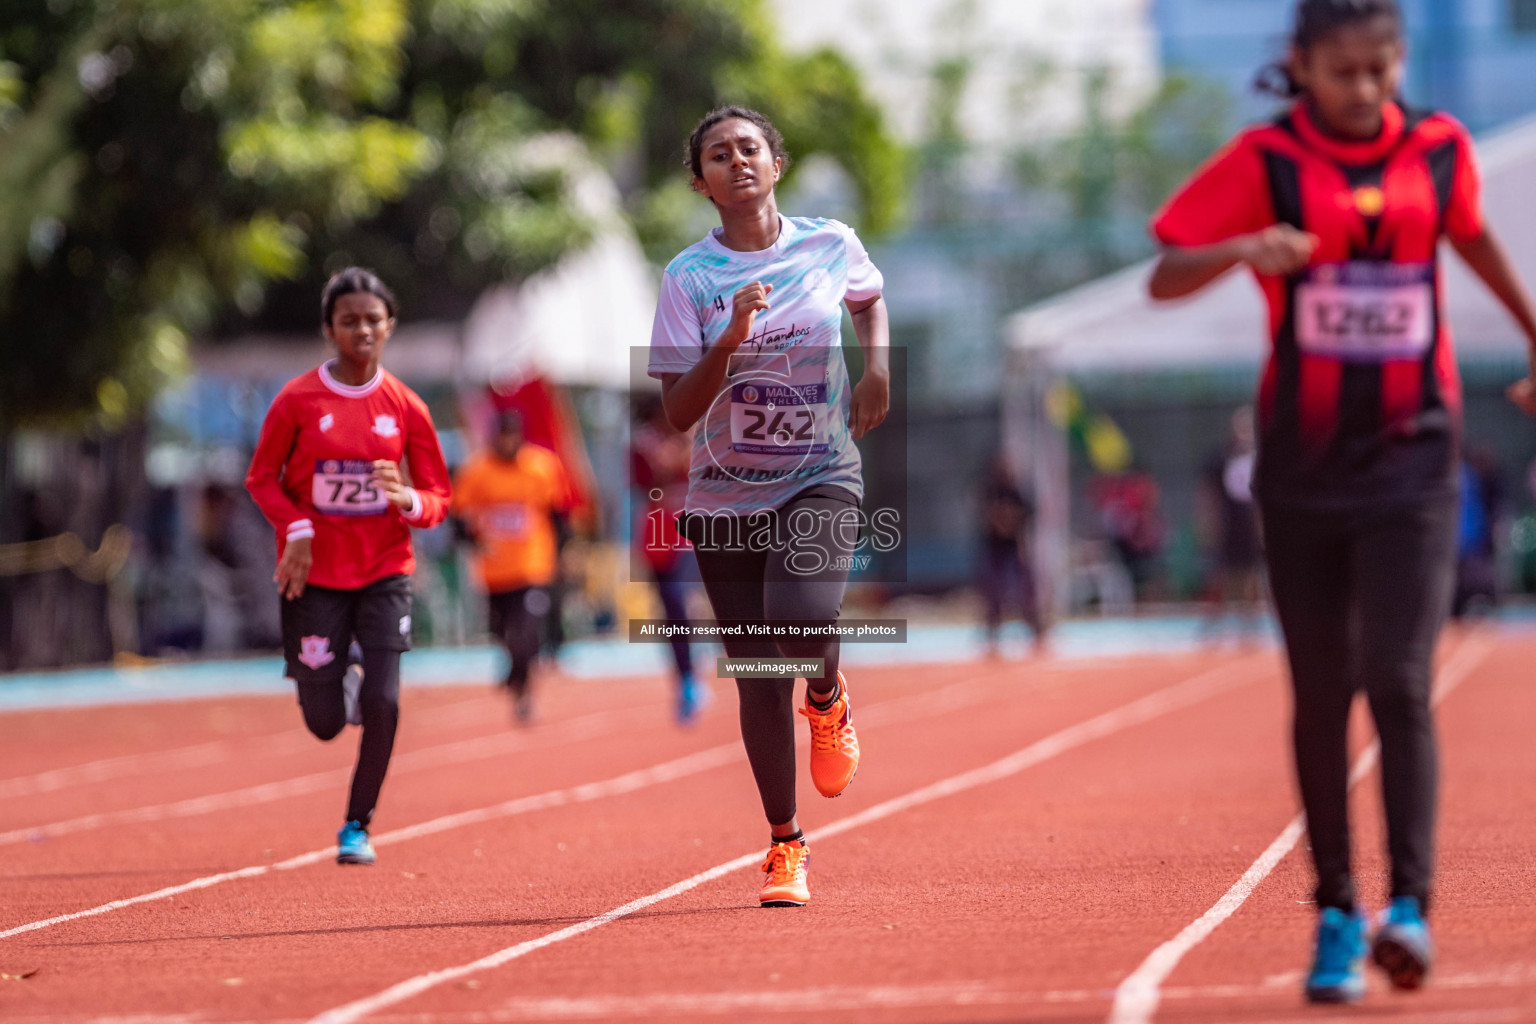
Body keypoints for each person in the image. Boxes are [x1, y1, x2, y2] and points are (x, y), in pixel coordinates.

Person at [1148, 0, 1536, 1003]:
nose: (1366, 90)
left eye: (1381, 69)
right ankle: (1335, 911)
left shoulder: (1441, 149)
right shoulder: (1265, 160)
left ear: (1399, 62)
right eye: (1344, 72)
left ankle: (1409, 908)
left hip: (1414, 456)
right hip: (1303, 462)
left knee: (1400, 678)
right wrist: (1244, 250)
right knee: (1322, 694)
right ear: (1303, 67)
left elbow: (1473, 236)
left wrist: (1535, 330)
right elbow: (1164, 275)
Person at [648, 105, 890, 908]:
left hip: (821, 469)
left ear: (775, 163)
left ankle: (826, 696)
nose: (737, 161)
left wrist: (876, 368)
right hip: (724, 497)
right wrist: (727, 342)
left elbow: (867, 298)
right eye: (718, 154)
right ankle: (786, 846)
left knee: (797, 621)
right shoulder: (689, 279)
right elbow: (678, 415)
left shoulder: (829, 241)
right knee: (757, 678)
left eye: (749, 148)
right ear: (701, 181)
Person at [245, 267, 451, 866]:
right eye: (348, 320)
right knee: (325, 722)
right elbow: (262, 478)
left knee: (385, 703)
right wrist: (298, 527)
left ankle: (356, 826)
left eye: (372, 319)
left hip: (386, 570)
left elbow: (438, 496)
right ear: (329, 330)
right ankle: (340, 684)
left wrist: (406, 499)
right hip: (315, 578)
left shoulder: (407, 407)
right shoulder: (298, 400)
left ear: (389, 326)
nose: (361, 329)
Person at [452, 409, 572, 723]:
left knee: (527, 631)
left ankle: (523, 690)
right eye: (501, 435)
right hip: (493, 571)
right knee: (503, 634)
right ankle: (515, 672)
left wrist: (562, 556)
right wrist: (474, 542)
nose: (506, 441)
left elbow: (558, 515)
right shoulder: (476, 470)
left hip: (533, 566)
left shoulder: (542, 467)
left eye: (511, 435)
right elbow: (459, 520)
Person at [630, 394, 708, 722]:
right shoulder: (642, 444)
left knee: (683, 597)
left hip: (696, 532)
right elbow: (645, 481)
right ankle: (686, 676)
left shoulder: (702, 435)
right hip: (659, 535)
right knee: (671, 608)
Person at [1199, 407, 1265, 640]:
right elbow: (1210, 495)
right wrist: (1209, 523)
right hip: (1228, 523)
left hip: (1249, 525)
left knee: (1252, 574)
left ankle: (1251, 621)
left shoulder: (1260, 459)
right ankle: (1212, 618)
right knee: (1220, 572)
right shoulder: (1221, 458)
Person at [976, 453, 1047, 656]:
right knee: (993, 592)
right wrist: (1003, 522)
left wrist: (1011, 523)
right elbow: (987, 518)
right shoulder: (990, 492)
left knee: (1026, 590)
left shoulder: (1016, 492)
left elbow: (1027, 515)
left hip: (1015, 546)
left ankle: (1037, 630)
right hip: (993, 549)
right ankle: (992, 633)